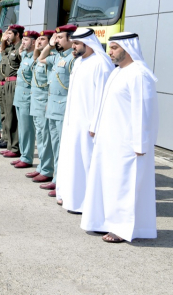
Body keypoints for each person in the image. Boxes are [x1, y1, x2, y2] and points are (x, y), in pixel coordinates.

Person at [81, 32, 159, 243]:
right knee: (108, 184)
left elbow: (143, 112)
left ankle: (122, 228)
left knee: (125, 186)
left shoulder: (139, 74)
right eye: (110, 47)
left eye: (114, 47)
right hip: (109, 141)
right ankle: (105, 222)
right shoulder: (118, 72)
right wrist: (95, 126)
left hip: (127, 145)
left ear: (128, 48)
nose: (110, 52)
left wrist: (140, 143)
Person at [56, 28, 114, 213]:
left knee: (87, 162)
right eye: (73, 43)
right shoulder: (79, 61)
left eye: (76, 44)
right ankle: (72, 198)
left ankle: (88, 203)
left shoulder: (101, 63)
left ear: (88, 44)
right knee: (73, 160)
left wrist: (95, 124)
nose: (73, 46)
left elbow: (103, 98)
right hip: (74, 121)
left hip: (90, 124)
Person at [37, 24, 77, 197]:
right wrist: (50, 45)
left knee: (62, 147)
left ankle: (61, 181)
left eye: (60, 37)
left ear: (71, 39)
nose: (57, 39)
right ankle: (56, 179)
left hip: (64, 108)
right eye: (56, 37)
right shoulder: (57, 56)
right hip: (52, 107)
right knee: (54, 145)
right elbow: (40, 59)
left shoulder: (73, 59)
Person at [25, 31, 56, 184]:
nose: (38, 42)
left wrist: (46, 48)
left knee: (45, 138)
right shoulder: (37, 58)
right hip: (36, 101)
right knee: (40, 136)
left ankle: (47, 169)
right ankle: (42, 167)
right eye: (37, 39)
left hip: (44, 101)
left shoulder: (51, 58)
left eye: (42, 40)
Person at [11, 30, 39, 169]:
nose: (23, 42)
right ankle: (23, 155)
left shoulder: (35, 58)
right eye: (23, 39)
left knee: (27, 130)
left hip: (28, 98)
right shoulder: (25, 57)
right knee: (22, 129)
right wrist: (22, 50)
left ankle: (27, 158)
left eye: (26, 40)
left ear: (34, 42)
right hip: (19, 97)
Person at [0, 25, 23, 157]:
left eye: (9, 34)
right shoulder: (12, 48)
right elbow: (2, 50)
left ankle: (15, 148)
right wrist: (4, 39)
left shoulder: (20, 48)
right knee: (8, 115)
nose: (7, 36)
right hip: (7, 82)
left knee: (13, 116)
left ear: (17, 34)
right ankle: (10, 145)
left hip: (15, 83)